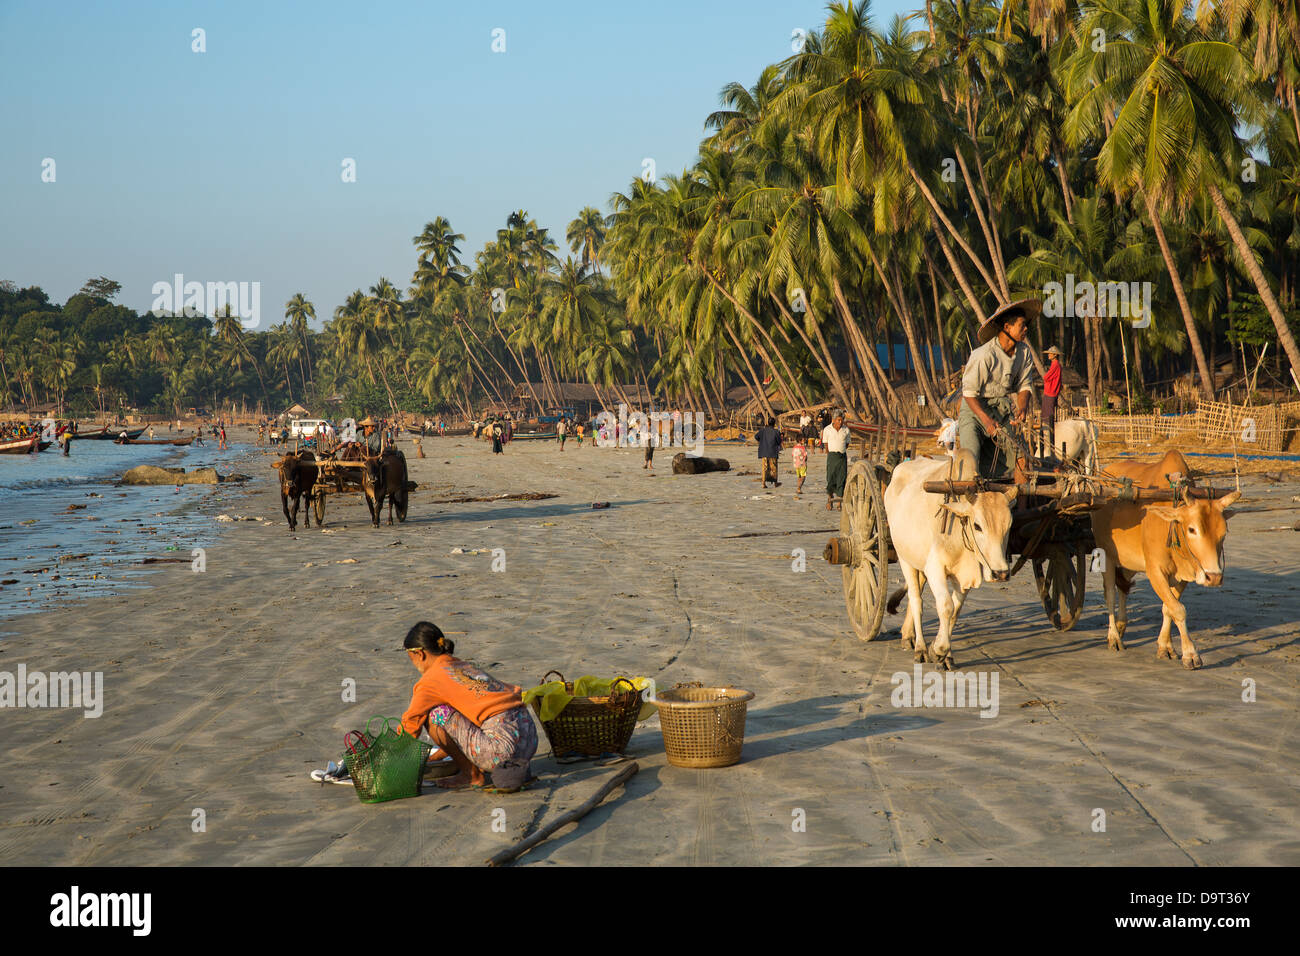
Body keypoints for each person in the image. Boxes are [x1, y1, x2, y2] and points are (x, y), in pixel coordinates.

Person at [399, 622, 537, 792]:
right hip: (528, 740)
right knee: (453, 711)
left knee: (436, 714)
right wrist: (439, 755)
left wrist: (390, 757)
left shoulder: (430, 681)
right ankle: (474, 767)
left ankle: (471, 775)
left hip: (501, 753)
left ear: (419, 654)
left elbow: (411, 726)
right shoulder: (462, 666)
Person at [958, 298, 1038, 481]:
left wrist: (1022, 408)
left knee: (1021, 457)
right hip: (975, 412)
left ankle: (1020, 505)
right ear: (1007, 327)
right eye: (1022, 325)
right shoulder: (983, 355)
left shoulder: (1024, 352)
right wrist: (985, 420)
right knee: (970, 462)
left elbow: (1025, 386)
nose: (1026, 329)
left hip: (1001, 412)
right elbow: (969, 394)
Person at [822, 411, 850, 510]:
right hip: (832, 457)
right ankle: (830, 500)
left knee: (841, 479)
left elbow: (847, 444)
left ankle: (839, 503)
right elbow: (825, 444)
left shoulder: (846, 430)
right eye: (838, 420)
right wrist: (831, 453)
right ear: (833, 420)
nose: (840, 422)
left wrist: (840, 451)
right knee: (830, 479)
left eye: (842, 420)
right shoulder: (827, 430)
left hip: (842, 457)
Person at [1042, 344, 1063, 457]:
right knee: (1046, 414)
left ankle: (1048, 435)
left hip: (1050, 393)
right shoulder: (1055, 365)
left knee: (1047, 416)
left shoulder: (1055, 365)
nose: (1048, 355)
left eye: (1050, 354)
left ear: (1054, 355)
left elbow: (1046, 377)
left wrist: (1045, 376)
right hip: (1051, 392)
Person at [756, 416, 782, 488]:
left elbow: (756, 437)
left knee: (764, 468)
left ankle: (763, 483)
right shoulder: (776, 432)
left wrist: (762, 442)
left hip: (764, 452)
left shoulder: (762, 430)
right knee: (774, 468)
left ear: (768, 423)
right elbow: (779, 441)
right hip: (773, 452)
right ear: (774, 424)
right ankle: (775, 483)